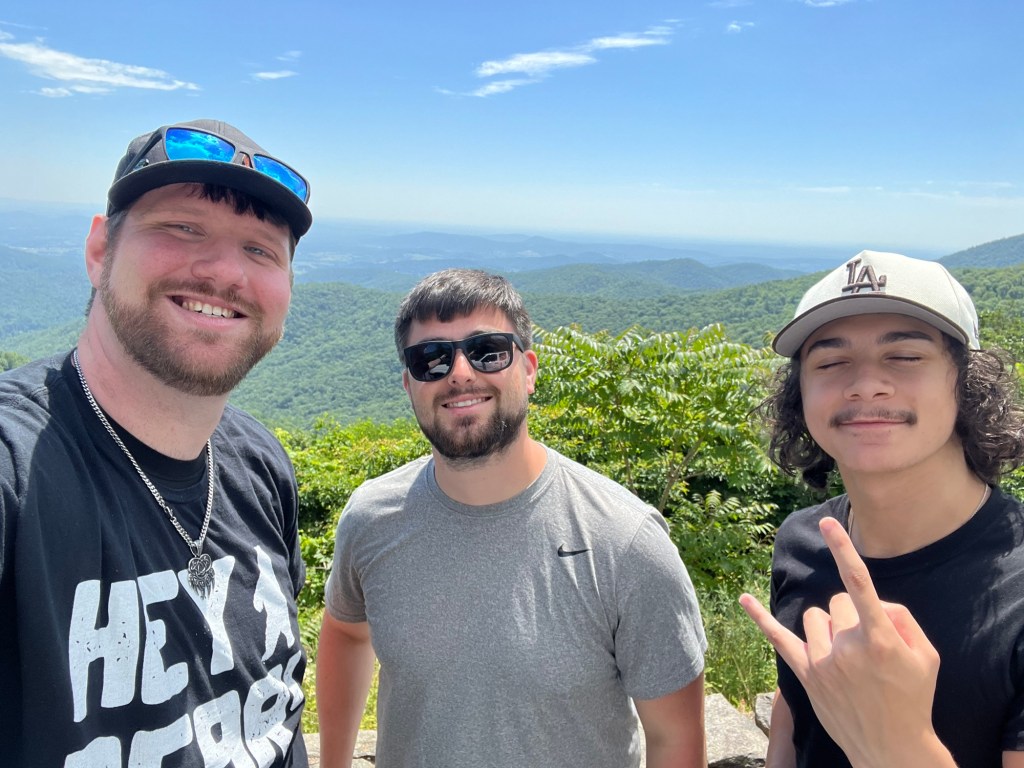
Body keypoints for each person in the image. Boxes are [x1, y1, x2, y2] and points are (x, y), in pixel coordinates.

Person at [0, 119, 313, 767]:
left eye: (261, 249)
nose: (226, 270)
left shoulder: (262, 466)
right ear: (99, 250)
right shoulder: (17, 472)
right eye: (183, 227)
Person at [316, 268, 708, 768]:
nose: (460, 373)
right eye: (431, 358)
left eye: (488, 351)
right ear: (409, 384)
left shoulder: (625, 540)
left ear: (529, 369)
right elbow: (348, 631)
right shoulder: (371, 518)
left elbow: (675, 738)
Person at [739, 250, 1024, 767]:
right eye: (831, 363)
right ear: (800, 394)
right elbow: (796, 702)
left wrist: (898, 744)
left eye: (905, 356)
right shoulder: (802, 542)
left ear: (969, 382)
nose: (865, 384)